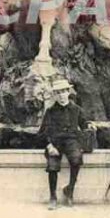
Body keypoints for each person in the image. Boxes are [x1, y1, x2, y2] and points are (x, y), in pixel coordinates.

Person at [37, 79, 96, 210]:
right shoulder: (50, 111)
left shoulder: (76, 109)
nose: (61, 95)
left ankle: (70, 191)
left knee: (76, 160)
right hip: (55, 142)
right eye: (58, 93)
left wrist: (89, 125)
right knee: (52, 166)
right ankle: (52, 197)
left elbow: (84, 123)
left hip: (72, 141)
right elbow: (42, 132)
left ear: (68, 92)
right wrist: (49, 146)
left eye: (63, 92)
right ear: (55, 95)